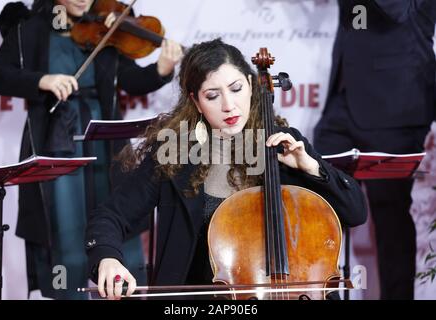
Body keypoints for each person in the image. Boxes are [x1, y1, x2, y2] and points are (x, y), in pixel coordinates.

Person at [85, 38, 368, 300]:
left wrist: (311, 167)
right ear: (195, 101)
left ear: (250, 83)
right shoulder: (174, 153)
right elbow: (110, 216)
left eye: (236, 89)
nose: (229, 105)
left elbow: (355, 212)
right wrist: (107, 258)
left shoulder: (283, 143)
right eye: (212, 96)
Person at [0, 0, 182, 299]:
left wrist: (161, 70)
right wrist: (41, 79)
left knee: (118, 214)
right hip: (55, 141)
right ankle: (69, 292)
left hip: (105, 141)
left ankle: (122, 287)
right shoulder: (31, 28)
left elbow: (130, 80)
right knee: (64, 225)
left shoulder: (107, 22)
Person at [313, 0, 436, 299]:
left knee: (389, 214)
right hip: (344, 99)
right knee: (317, 199)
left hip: (395, 102)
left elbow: (397, 10)